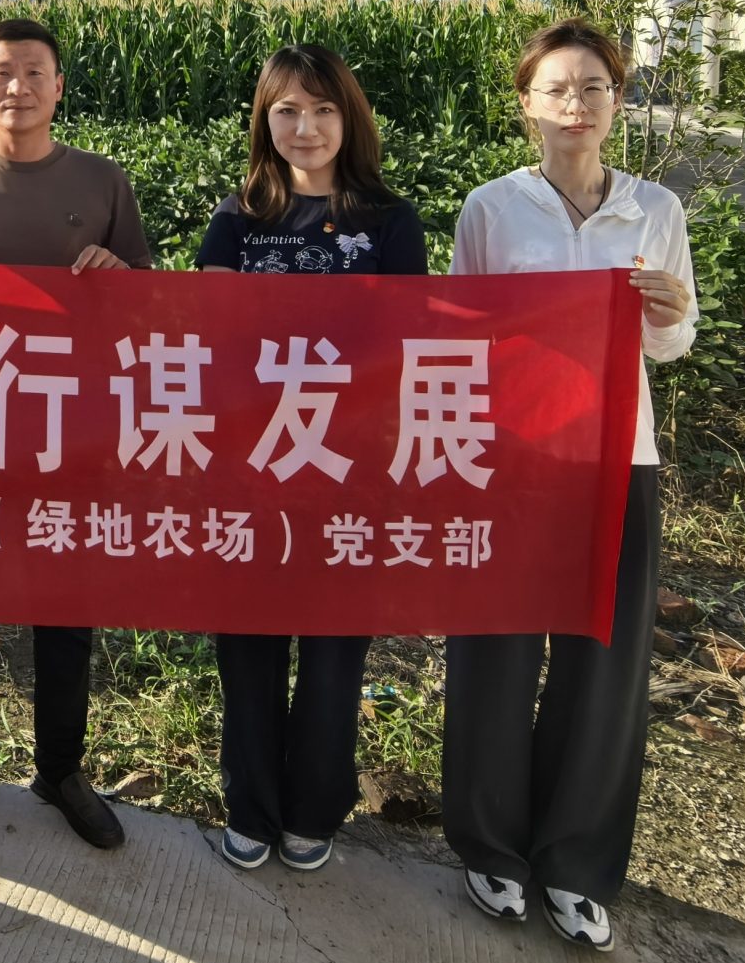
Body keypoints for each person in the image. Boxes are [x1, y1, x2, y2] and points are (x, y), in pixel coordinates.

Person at [442, 19, 696, 954]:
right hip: (514, 461)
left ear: (617, 102)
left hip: (620, 458)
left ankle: (576, 863)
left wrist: (669, 312)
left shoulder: (655, 209)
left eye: (593, 87)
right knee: (496, 651)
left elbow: (672, 343)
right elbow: (460, 335)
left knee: (604, 664)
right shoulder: (491, 209)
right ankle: (491, 846)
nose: (576, 104)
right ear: (528, 105)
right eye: (557, 88)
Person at [0, 16, 153, 851]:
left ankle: (61, 768)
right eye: (2, 72)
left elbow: (145, 300)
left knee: (65, 607)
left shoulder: (104, 182)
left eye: (34, 71)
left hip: (69, 430)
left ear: (59, 86)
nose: (18, 86)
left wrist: (118, 276)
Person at [195, 45, 426, 874]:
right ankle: (250, 804)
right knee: (249, 646)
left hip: (350, 468)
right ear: (265, 121)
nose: (306, 127)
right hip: (253, 464)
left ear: (349, 118)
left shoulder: (390, 221)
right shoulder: (238, 218)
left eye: (323, 109)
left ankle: (315, 806)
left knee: (335, 652)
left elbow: (408, 344)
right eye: (287, 110)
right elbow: (208, 339)